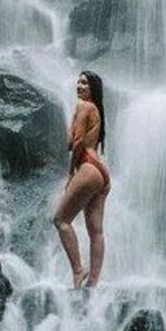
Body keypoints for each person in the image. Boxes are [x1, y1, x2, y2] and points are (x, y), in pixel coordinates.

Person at [53, 70, 110, 288]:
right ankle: (93, 283)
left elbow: (76, 144)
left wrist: (70, 173)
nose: (79, 86)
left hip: (87, 166)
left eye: (85, 83)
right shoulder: (96, 110)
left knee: (60, 220)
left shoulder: (84, 107)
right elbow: (75, 140)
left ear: (93, 88)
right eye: (78, 82)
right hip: (101, 173)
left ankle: (78, 271)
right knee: (96, 231)